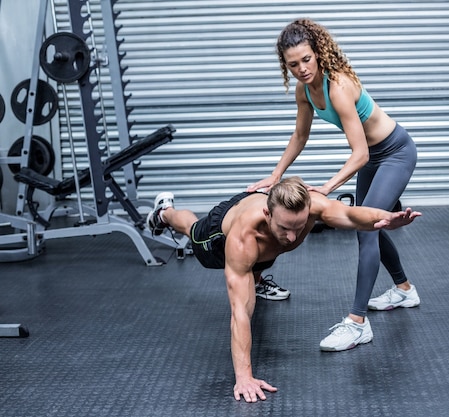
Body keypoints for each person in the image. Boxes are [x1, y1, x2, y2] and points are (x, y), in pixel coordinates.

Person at [146, 176, 420, 403]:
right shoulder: (243, 238)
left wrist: (385, 217)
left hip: (262, 229)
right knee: (193, 230)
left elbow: (349, 214)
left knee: (265, 254)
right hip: (218, 233)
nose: (292, 237)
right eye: (286, 228)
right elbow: (240, 311)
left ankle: (258, 276)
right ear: (268, 213)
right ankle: (164, 212)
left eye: (298, 227)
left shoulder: (310, 206)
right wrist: (244, 376)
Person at [247, 19, 420, 352]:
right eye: (292, 64)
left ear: (318, 53)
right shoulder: (304, 91)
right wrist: (275, 174)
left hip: (395, 152)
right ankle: (404, 289)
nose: (301, 69)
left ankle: (357, 323)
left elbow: (360, 152)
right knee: (370, 223)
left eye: (306, 59)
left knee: (365, 229)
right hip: (372, 158)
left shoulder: (337, 85)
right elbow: (300, 136)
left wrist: (325, 188)